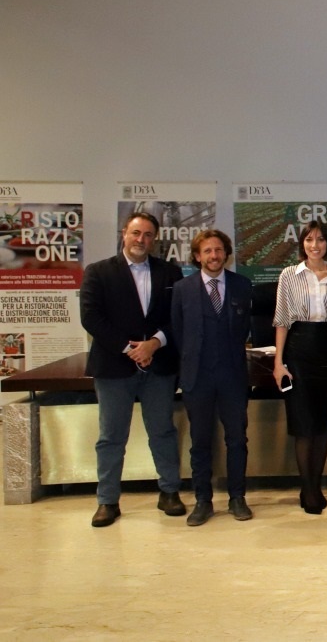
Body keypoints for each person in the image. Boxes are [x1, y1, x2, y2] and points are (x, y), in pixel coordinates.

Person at [80, 211, 186, 527]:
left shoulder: (171, 273)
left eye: (148, 234)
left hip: (159, 365)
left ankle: (169, 492)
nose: (142, 239)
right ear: (124, 234)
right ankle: (108, 501)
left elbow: (179, 316)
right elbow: (91, 317)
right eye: (136, 233)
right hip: (114, 366)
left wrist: (154, 343)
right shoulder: (98, 271)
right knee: (111, 436)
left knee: (163, 431)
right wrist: (130, 349)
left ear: (155, 239)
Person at [170, 230, 254, 526]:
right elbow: (178, 332)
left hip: (232, 376)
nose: (214, 256)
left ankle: (237, 497)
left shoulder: (242, 285)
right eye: (207, 251)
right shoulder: (182, 289)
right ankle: (202, 500)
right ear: (197, 256)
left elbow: (244, 328)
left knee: (237, 439)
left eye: (218, 250)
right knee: (200, 441)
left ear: (226, 254)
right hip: (197, 377)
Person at [272, 220, 327, 516]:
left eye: (320, 239)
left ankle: (314, 486)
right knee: (303, 425)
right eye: (309, 239)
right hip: (298, 351)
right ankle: (308, 490)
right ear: (302, 244)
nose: (314, 245)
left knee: (321, 423)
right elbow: (282, 320)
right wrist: (278, 362)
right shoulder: (289, 275)